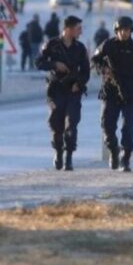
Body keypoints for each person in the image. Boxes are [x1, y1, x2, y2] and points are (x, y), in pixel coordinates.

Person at [91, 16, 133, 172]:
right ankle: (114, 150)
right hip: (110, 91)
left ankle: (126, 157)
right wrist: (103, 69)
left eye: (127, 30)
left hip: (131, 92)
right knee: (107, 125)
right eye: (122, 30)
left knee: (128, 127)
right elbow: (94, 60)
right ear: (117, 31)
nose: (124, 33)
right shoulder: (107, 45)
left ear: (131, 31)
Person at [35, 15, 90, 171]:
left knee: (72, 123)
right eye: (78, 28)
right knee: (56, 123)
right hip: (56, 90)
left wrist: (79, 84)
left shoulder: (80, 48)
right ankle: (58, 152)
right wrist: (54, 64)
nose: (80, 31)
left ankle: (69, 158)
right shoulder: (52, 45)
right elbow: (38, 62)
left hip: (73, 91)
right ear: (68, 29)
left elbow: (86, 72)